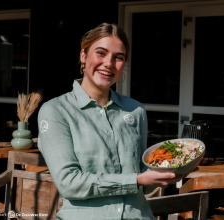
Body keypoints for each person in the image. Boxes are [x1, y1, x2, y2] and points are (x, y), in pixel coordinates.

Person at [37, 22, 183, 220]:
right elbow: (69, 183)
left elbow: (144, 181)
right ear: (83, 55)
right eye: (101, 53)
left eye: (118, 57)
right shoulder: (56, 111)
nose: (109, 63)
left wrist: (170, 169)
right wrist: (137, 180)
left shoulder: (136, 110)